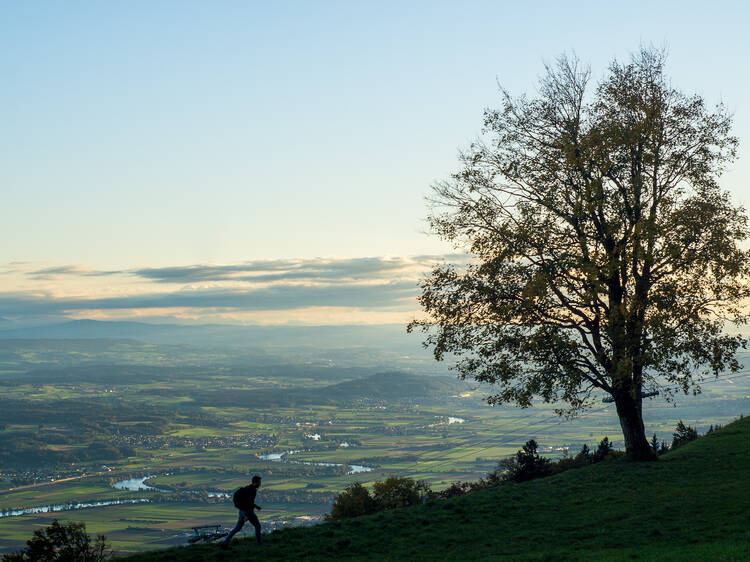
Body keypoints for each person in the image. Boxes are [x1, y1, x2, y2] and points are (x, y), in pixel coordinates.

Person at [222, 475, 262, 548]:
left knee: (237, 528)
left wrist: (256, 506)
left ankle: (225, 542)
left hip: (242, 510)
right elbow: (249, 503)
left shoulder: (247, 488)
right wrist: (246, 515)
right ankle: (259, 543)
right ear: (256, 482)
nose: (260, 484)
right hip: (248, 512)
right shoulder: (253, 490)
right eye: (259, 482)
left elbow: (248, 502)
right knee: (258, 526)